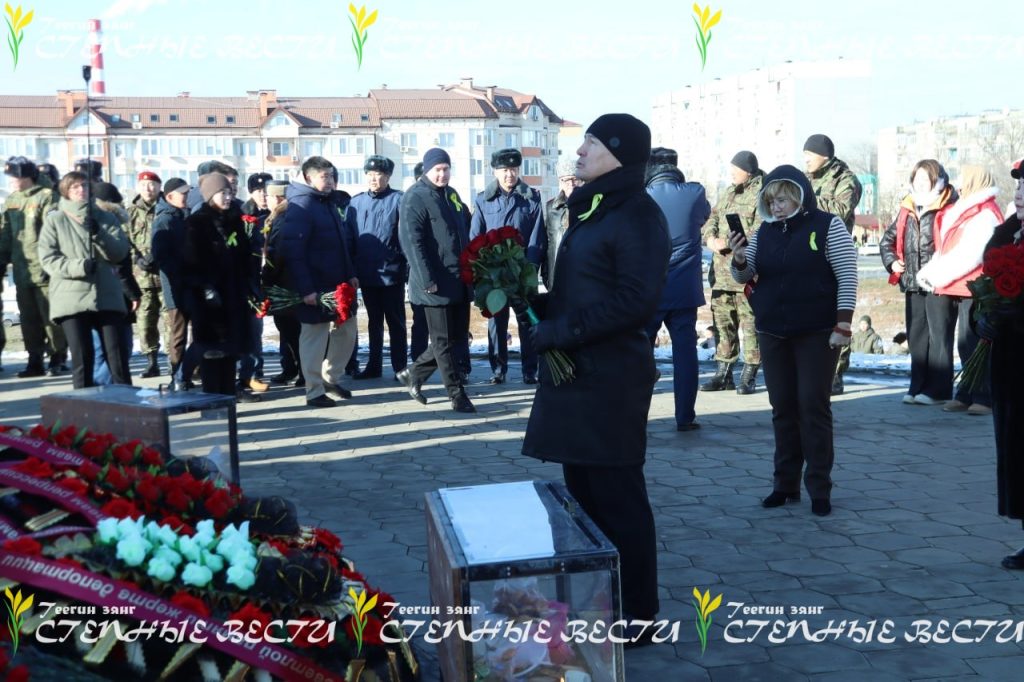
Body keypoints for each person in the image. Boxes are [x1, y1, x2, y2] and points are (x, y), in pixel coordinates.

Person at [522, 114, 669, 633]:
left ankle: (638, 614)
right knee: (583, 497)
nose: (580, 151)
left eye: (592, 142)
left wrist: (561, 331)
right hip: (579, 378)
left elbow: (635, 301)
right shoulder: (596, 207)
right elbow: (589, 288)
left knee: (618, 499)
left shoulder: (637, 214)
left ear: (619, 153)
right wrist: (537, 304)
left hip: (611, 381)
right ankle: (598, 603)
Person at [730, 164, 858, 516]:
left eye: (783, 200)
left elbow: (847, 275)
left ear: (801, 197)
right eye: (771, 201)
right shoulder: (763, 231)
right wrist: (738, 258)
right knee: (782, 408)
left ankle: (819, 488)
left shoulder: (828, 225)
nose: (777, 207)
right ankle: (784, 484)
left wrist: (843, 324)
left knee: (812, 407)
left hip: (817, 332)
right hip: (773, 330)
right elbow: (745, 274)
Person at [396, 148, 475, 413]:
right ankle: (456, 395)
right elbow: (412, 241)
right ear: (427, 170)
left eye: (446, 169)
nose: (442, 174)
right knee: (442, 341)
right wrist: (426, 278)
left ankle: (414, 374)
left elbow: (463, 231)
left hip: (457, 278)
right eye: (437, 170)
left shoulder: (451, 195)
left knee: (456, 337)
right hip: (433, 281)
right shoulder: (415, 197)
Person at [918, 166, 1002, 415]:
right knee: (964, 344)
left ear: (976, 181)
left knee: (973, 342)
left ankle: (984, 397)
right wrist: (933, 271)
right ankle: (965, 393)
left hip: (974, 285)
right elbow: (948, 247)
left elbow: (971, 254)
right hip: (957, 284)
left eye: (965, 179)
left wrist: (938, 274)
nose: (961, 185)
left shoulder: (985, 212)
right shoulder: (966, 209)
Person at [37, 171, 132, 389]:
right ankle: (82, 405)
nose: (81, 190)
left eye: (85, 186)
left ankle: (127, 402)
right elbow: (48, 259)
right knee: (82, 358)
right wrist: (79, 266)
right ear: (66, 191)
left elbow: (119, 253)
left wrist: (99, 233)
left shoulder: (106, 218)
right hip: (71, 297)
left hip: (106, 294)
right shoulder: (55, 220)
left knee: (117, 357)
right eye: (75, 187)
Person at [279, 157, 358, 409]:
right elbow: (294, 251)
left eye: (331, 176)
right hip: (315, 286)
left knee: (347, 330)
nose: (330, 181)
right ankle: (313, 391)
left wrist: (350, 273)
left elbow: (341, 242)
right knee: (314, 337)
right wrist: (306, 289)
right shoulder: (301, 205)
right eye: (324, 176)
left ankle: (330, 378)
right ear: (308, 178)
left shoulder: (327, 201)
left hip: (339, 283)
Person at [879, 160, 958, 405]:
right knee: (917, 337)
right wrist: (892, 262)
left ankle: (939, 390)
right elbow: (887, 240)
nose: (921, 183)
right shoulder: (908, 206)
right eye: (917, 178)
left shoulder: (948, 205)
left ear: (937, 180)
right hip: (912, 282)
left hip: (938, 283)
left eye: (926, 178)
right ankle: (917, 386)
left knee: (939, 336)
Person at [977, 158, 1024, 569]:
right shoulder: (1005, 236)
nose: (1021, 194)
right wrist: (985, 318)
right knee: (1016, 449)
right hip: (1009, 364)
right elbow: (983, 293)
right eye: (1020, 186)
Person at [643, 147, 710, 431]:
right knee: (685, 355)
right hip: (684, 291)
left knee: (640, 353)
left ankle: (635, 414)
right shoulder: (695, 193)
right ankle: (685, 417)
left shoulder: (641, 197)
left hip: (650, 291)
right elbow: (704, 216)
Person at [470, 148, 545, 384]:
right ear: (495, 171)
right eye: (504, 170)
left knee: (527, 321)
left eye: (513, 169)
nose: (509, 174)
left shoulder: (531, 198)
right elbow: (476, 236)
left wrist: (529, 269)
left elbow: (537, 238)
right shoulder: (483, 199)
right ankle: (498, 370)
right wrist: (482, 269)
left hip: (522, 273)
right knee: (496, 323)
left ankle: (529, 370)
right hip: (494, 275)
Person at [181, 172, 255, 399]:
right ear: (210, 195)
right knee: (212, 354)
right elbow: (190, 263)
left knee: (230, 353)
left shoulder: (234, 220)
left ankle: (229, 402)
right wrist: (204, 287)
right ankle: (212, 404)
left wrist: (251, 284)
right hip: (209, 302)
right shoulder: (197, 223)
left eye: (229, 192)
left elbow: (244, 256)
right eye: (222, 193)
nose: (228, 197)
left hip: (234, 297)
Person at [803, 134, 864, 395]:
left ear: (823, 155)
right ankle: (812, 370)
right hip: (807, 253)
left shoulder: (846, 179)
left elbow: (840, 211)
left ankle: (836, 372)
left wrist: (806, 199)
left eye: (809, 155)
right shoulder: (805, 179)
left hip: (834, 255)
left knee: (837, 313)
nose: (805, 160)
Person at [701, 151, 764, 394]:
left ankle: (749, 374)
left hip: (746, 272)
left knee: (750, 325)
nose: (731, 173)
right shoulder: (728, 192)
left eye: (735, 169)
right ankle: (723, 373)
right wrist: (710, 239)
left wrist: (727, 242)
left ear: (747, 171)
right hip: (721, 274)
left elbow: (760, 231)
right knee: (723, 324)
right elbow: (712, 219)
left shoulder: (762, 193)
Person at [0, 156, 69, 377]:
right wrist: (2, 261)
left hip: (46, 270)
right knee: (28, 319)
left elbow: (55, 233)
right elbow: (6, 235)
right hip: (22, 271)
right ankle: (34, 360)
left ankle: (57, 357)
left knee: (51, 318)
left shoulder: (47, 197)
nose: (11, 181)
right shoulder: (12, 200)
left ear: (26, 176)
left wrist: (52, 264)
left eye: (14, 176)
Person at [347, 155, 407, 380]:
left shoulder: (399, 199)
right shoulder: (356, 202)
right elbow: (349, 238)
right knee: (374, 322)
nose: (374, 179)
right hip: (366, 273)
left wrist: (406, 267)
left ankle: (400, 367)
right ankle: (374, 365)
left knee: (396, 322)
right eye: (370, 174)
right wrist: (351, 271)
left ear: (388, 176)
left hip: (392, 273)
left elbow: (405, 236)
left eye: (379, 174)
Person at [151, 178, 193, 390]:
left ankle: (189, 373)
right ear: (169, 197)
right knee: (178, 334)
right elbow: (160, 256)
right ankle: (176, 376)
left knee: (196, 331)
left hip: (190, 284)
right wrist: (179, 273)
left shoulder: (184, 216)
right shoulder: (164, 220)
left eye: (187, 193)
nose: (186, 197)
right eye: (182, 193)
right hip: (175, 286)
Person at [261, 180, 304, 387]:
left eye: (268, 196)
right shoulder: (287, 215)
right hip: (291, 283)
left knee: (291, 331)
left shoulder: (282, 218)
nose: (265, 200)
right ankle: (292, 368)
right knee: (290, 331)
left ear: (277, 198)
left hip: (285, 285)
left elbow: (275, 254)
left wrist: (266, 278)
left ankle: (303, 372)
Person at [126, 170, 165, 378]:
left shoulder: (166, 208)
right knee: (145, 322)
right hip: (142, 278)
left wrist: (159, 255)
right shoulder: (130, 212)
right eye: (143, 185)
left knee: (171, 322)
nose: (148, 189)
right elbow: (125, 240)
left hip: (165, 275)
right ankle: (151, 361)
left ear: (159, 186)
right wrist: (137, 258)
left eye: (152, 184)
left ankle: (175, 361)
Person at [238, 172, 274, 394]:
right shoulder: (243, 216)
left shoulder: (276, 212)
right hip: (250, 281)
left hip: (273, 277)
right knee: (253, 328)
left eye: (266, 191)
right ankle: (252, 373)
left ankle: (291, 368)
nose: (263, 195)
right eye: (259, 191)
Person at [542, 157, 581, 291]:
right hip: (556, 275)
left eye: (574, 179)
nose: (571, 183)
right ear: (560, 182)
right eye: (566, 179)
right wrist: (546, 275)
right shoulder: (550, 208)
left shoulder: (590, 206)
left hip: (582, 275)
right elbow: (547, 243)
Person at [409, 161, 428, 364]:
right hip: (418, 274)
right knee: (420, 322)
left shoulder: (450, 198)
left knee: (447, 328)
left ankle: (459, 366)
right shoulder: (409, 201)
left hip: (446, 274)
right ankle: (417, 363)